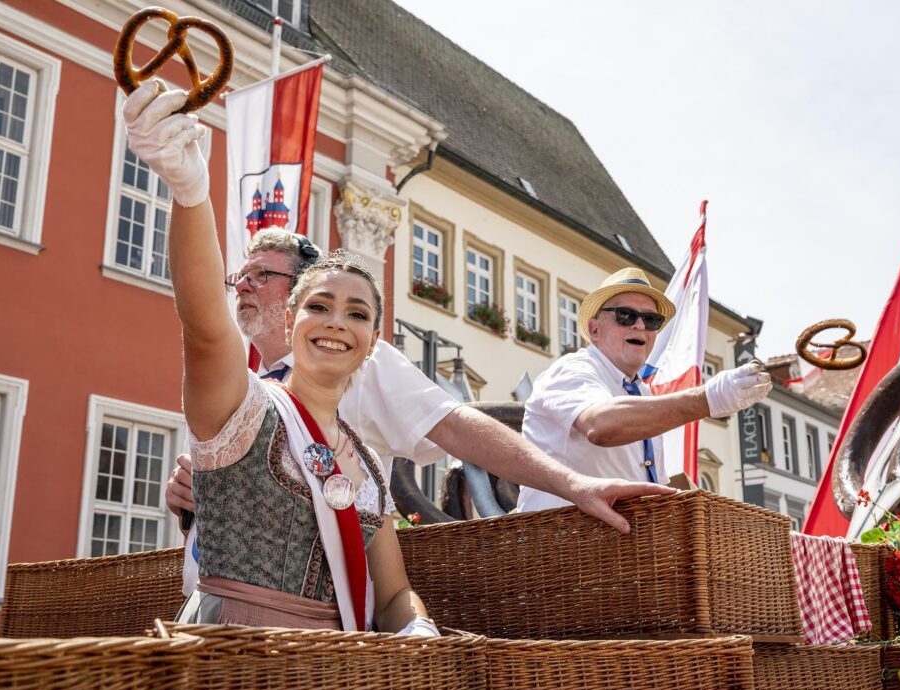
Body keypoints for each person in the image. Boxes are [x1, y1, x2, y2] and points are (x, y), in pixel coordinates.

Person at [124, 81, 434, 634]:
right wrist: (190, 189)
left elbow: (393, 594)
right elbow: (203, 326)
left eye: (358, 314)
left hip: (329, 678)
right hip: (229, 662)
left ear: (372, 341)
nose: (338, 321)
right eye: (320, 305)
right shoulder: (242, 406)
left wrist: (416, 628)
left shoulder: (366, 466)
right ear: (290, 322)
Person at [165, 222, 675, 541]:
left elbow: (454, 427)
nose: (244, 286)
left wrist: (572, 484)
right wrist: (191, 496)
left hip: (325, 604)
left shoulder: (360, 360)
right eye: (242, 276)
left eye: (261, 276)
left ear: (297, 294)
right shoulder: (245, 387)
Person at [516, 267, 772, 512]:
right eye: (625, 316)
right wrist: (708, 398)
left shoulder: (640, 392)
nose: (639, 326)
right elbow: (600, 425)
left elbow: (652, 482)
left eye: (651, 320)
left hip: (619, 543)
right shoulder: (573, 369)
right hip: (561, 541)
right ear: (595, 329)